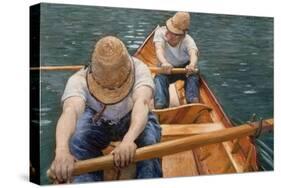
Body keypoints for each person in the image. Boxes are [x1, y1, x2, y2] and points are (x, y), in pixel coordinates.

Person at [49, 36, 162, 183]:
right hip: (98, 121)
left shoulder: (140, 69)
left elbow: (142, 103)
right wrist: (62, 150)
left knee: (149, 141)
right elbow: (70, 111)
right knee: (77, 140)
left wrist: (128, 140)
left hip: (132, 117)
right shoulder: (78, 80)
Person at [153, 11, 200, 109]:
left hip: (184, 68)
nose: (169, 34)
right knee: (159, 78)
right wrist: (164, 62)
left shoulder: (188, 40)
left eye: (175, 34)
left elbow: (193, 54)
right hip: (166, 66)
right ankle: (161, 106)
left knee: (193, 76)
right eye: (169, 30)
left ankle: (193, 103)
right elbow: (159, 50)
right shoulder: (160, 32)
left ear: (183, 35)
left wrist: (191, 65)